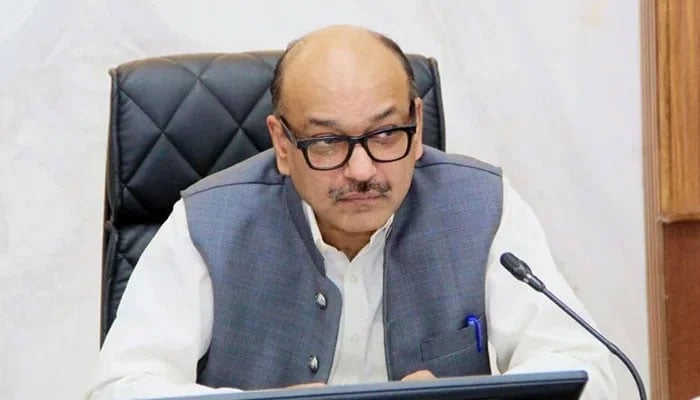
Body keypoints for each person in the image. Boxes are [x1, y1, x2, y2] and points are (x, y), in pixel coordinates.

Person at [87, 25, 616, 400]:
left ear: (417, 124)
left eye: (386, 134)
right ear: (283, 144)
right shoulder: (207, 223)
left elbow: (589, 369)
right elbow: (121, 387)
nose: (362, 170)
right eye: (326, 142)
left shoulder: (483, 205)